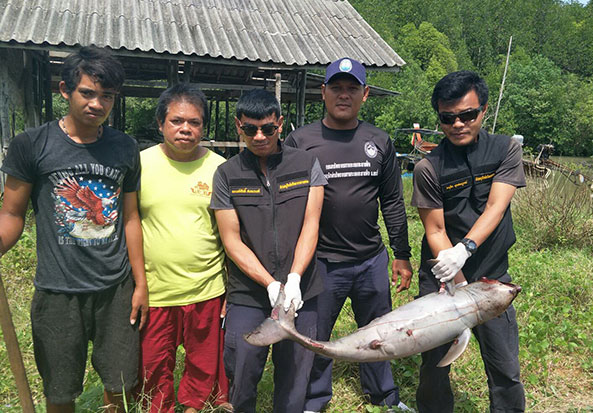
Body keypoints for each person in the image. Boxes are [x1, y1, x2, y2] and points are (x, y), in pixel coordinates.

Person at [0, 46, 147, 412]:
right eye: (87, 93)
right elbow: (12, 212)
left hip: (115, 289)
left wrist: (140, 284)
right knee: (60, 390)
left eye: (107, 96)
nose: (97, 104)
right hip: (58, 289)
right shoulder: (32, 145)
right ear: (64, 90)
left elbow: (130, 218)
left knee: (122, 383)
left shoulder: (125, 148)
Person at [285, 57, 413, 412]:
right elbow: (289, 204)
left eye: (352, 88)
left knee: (378, 333)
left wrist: (401, 254)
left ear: (365, 94)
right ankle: (314, 399)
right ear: (323, 92)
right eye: (337, 88)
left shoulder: (379, 141)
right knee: (317, 335)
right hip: (322, 261)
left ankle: (384, 396)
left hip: (370, 258)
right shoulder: (300, 141)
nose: (344, 95)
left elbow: (391, 201)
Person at [411, 70, 526, 412]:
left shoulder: (506, 149)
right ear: (440, 118)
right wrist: (459, 282)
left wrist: (467, 249)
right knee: (434, 366)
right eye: (448, 118)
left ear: (484, 110)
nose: (458, 124)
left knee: (505, 367)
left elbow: (496, 206)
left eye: (467, 115)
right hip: (443, 277)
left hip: (492, 275)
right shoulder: (428, 168)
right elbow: (435, 230)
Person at [210, 89, 326, 413]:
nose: (259, 136)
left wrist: (293, 279)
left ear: (280, 124)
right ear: (238, 126)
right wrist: (269, 283)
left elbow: (311, 225)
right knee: (243, 369)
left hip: (301, 289)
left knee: (295, 375)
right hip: (248, 293)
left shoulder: (306, 164)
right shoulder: (227, 174)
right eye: (250, 129)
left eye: (267, 128)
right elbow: (231, 240)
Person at [138, 83, 230, 412]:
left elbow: (232, 234)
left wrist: (231, 288)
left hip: (205, 286)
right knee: (152, 363)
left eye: (195, 122)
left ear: (203, 126)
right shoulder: (139, 164)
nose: (186, 129)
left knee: (204, 360)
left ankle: (194, 405)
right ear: (161, 123)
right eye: (177, 121)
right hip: (154, 289)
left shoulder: (220, 168)